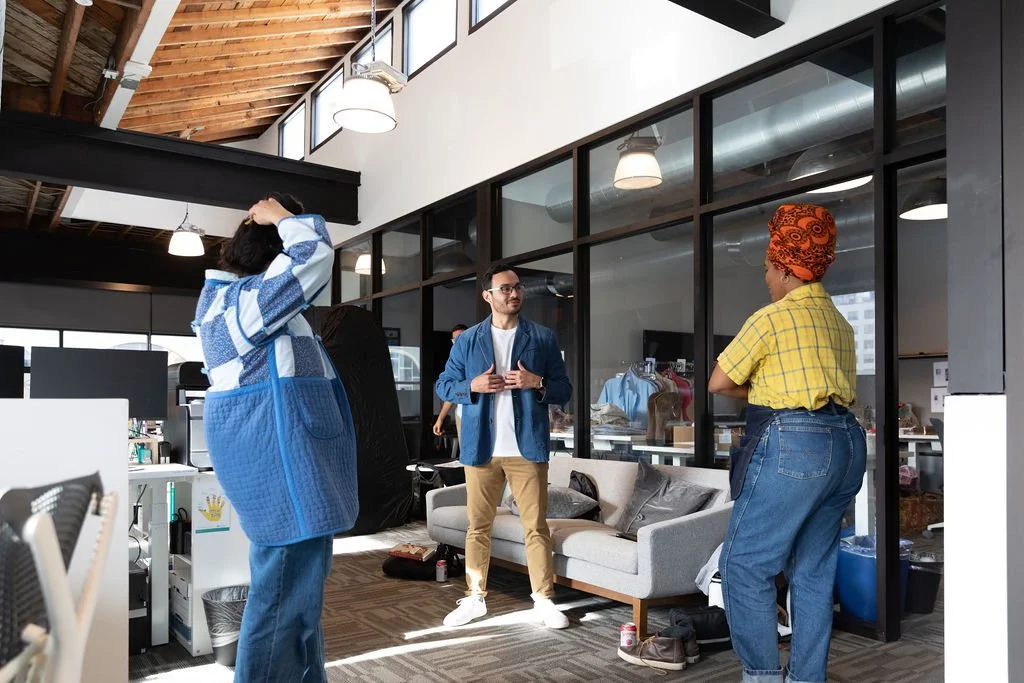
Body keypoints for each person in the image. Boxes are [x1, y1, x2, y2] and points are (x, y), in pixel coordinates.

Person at [194, 194, 358, 683]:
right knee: (283, 603)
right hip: (285, 472)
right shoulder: (246, 303)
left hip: (287, 469)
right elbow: (313, 256)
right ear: (273, 254)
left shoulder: (238, 306)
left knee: (297, 601)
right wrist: (283, 217)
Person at [709, 203, 866, 683]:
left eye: (767, 271)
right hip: (847, 443)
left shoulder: (771, 319)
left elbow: (718, 381)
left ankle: (761, 676)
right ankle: (806, 678)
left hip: (797, 442)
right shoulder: (839, 322)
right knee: (814, 572)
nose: (767, 281)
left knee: (744, 566)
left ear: (783, 268)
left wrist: (761, 390)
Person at [435, 264, 572, 629]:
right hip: (482, 448)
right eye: (506, 288)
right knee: (478, 527)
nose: (514, 294)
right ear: (488, 296)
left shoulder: (542, 338)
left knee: (535, 527)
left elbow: (565, 390)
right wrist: (472, 387)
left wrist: (537, 381)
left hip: (527, 448)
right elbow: (444, 385)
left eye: (518, 288)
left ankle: (543, 600)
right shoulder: (468, 341)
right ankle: (475, 598)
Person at [432, 324, 469, 442]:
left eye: (462, 338)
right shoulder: (455, 363)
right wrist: (441, 418)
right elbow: (452, 392)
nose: (459, 342)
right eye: (455, 340)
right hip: (462, 414)